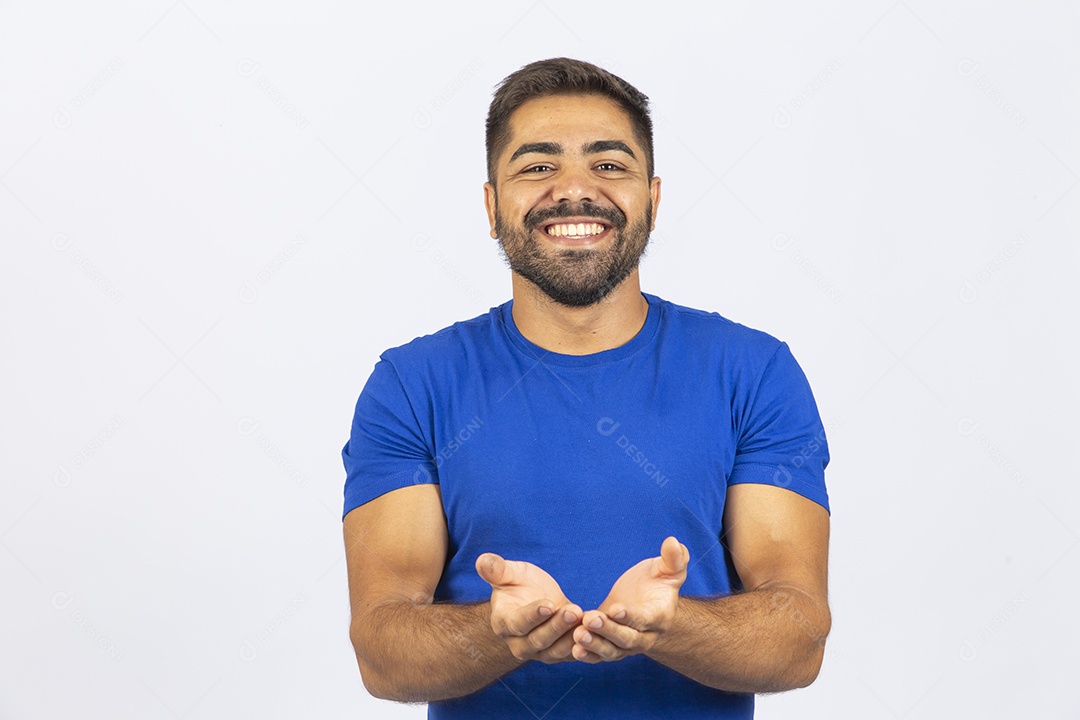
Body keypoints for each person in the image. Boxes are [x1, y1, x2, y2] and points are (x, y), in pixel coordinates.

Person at [341, 57, 831, 719]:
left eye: (608, 164)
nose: (575, 190)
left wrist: (669, 624)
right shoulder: (412, 386)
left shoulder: (753, 373)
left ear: (652, 201)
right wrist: (498, 629)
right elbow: (382, 652)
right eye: (538, 166)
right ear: (492, 205)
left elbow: (798, 638)